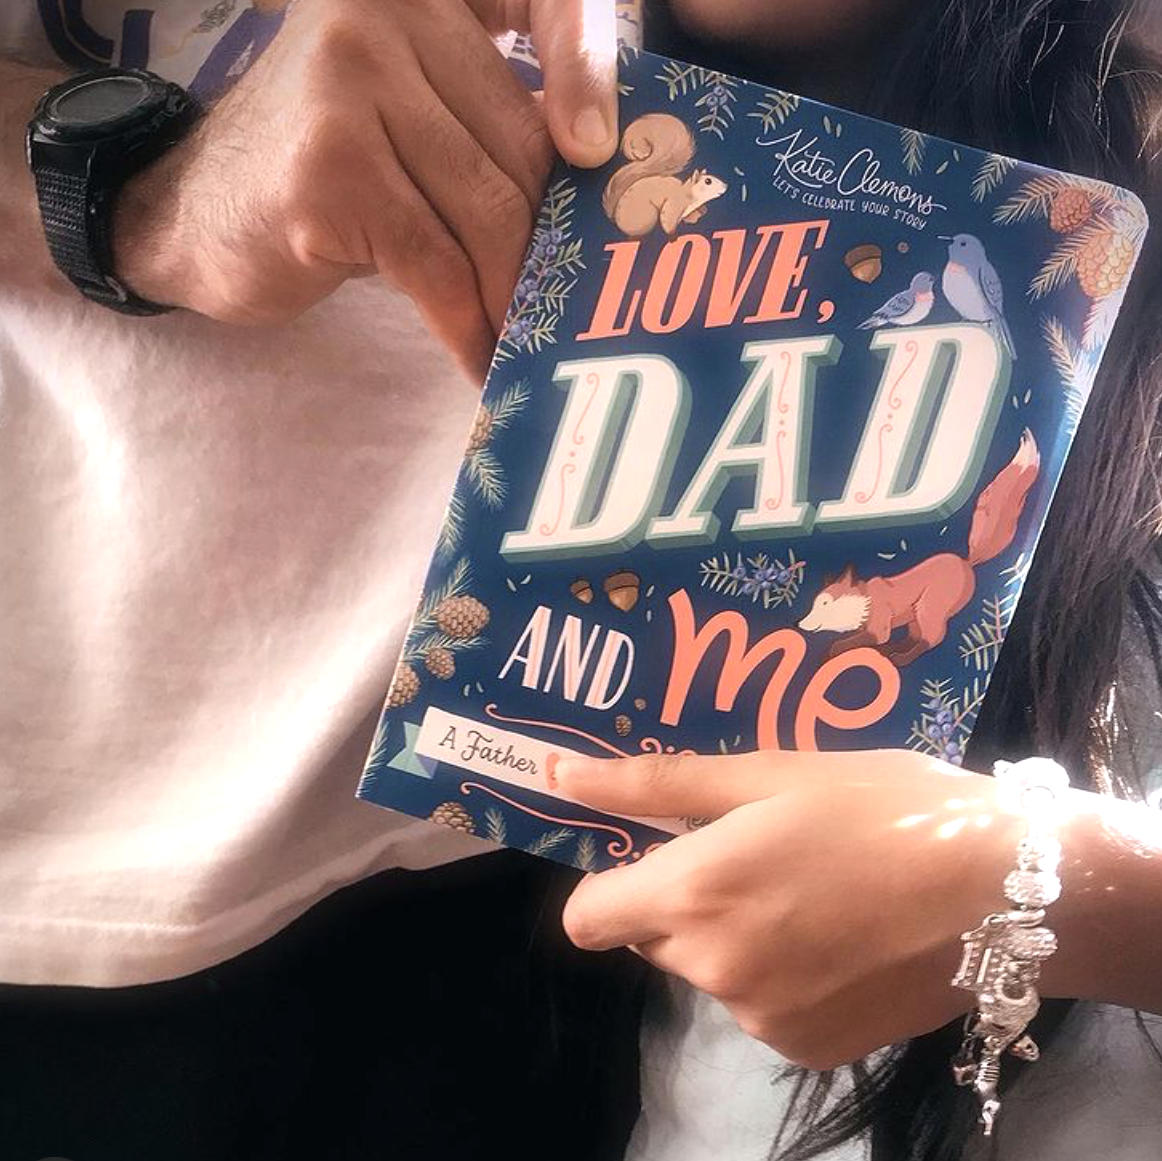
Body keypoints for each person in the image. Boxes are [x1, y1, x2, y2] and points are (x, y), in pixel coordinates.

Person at [1, 2, 1161, 1161]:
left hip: (548, 900)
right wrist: (148, 191)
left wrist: (1059, 886)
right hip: (90, 855)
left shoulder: (1049, 162)